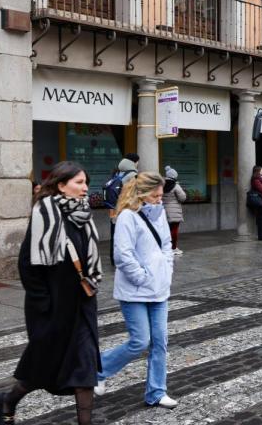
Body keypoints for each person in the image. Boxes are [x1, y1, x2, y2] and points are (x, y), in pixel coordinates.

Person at [0, 161, 102, 425]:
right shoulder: (46, 215)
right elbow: (28, 267)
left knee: (84, 369)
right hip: (52, 310)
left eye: (86, 181)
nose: (85, 187)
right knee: (42, 369)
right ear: (61, 185)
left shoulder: (82, 214)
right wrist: (45, 305)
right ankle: (8, 400)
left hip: (82, 306)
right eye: (79, 182)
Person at [96, 171, 178, 409]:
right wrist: (143, 277)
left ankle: (156, 392)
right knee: (140, 341)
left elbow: (166, 245)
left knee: (160, 342)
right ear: (142, 194)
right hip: (135, 291)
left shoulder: (159, 212)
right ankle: (98, 370)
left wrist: (165, 272)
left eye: (161, 195)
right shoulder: (127, 217)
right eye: (156, 195)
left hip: (159, 289)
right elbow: (123, 255)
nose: (159, 199)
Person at [106, 154, 139, 266]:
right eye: (137, 162)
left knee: (115, 235)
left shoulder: (116, 174)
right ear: (134, 162)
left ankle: (114, 259)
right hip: (127, 210)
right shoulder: (133, 175)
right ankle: (126, 260)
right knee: (127, 237)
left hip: (114, 211)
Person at [162, 166, 187, 256]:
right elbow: (183, 198)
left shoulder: (162, 184)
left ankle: (165, 248)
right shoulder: (176, 185)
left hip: (163, 210)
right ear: (174, 176)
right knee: (174, 230)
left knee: (165, 230)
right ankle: (173, 248)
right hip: (174, 211)